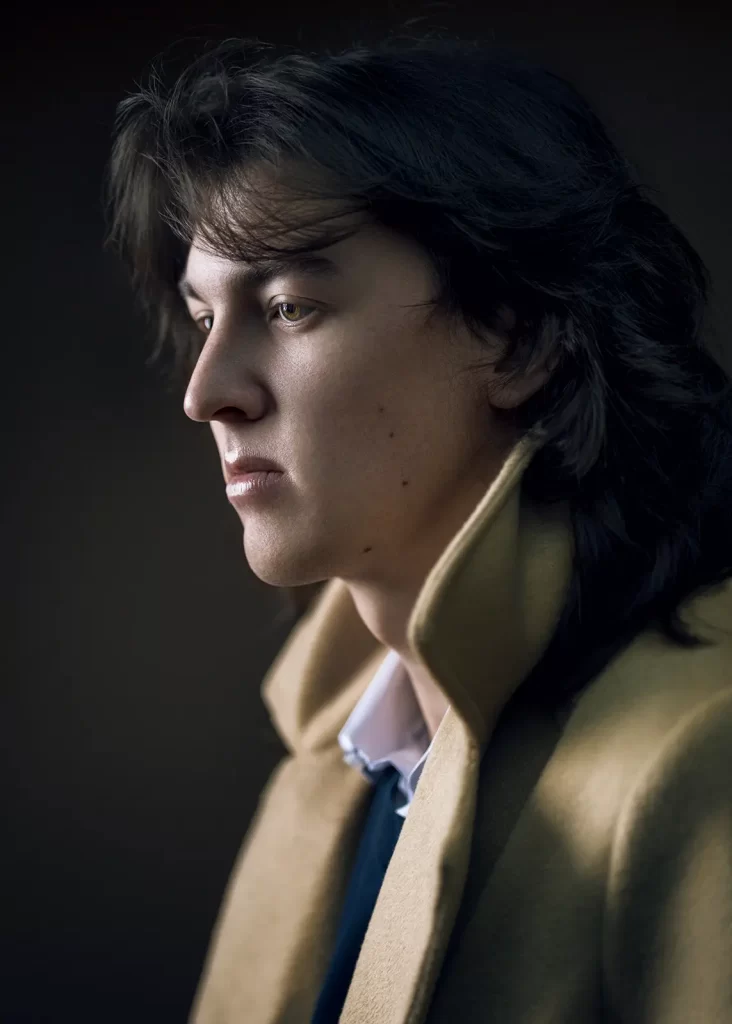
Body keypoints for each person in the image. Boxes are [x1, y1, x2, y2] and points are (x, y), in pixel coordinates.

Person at [106, 28, 732, 1024]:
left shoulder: (701, 757)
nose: (208, 392)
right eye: (202, 315)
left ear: (517, 337)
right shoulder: (328, 768)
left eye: (289, 305)